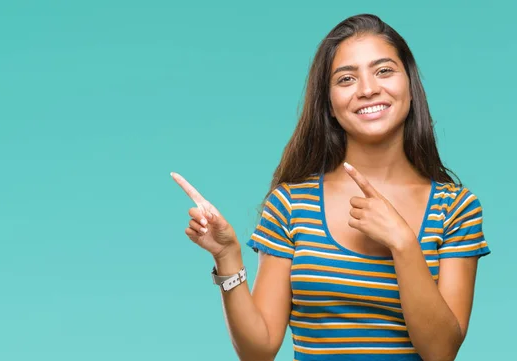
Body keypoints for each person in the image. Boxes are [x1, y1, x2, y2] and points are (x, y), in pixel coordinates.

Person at [170, 13, 490, 361]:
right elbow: (258, 351)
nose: (368, 89)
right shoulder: (291, 204)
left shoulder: (456, 208)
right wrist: (227, 257)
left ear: (411, 87)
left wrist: (403, 243)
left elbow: (441, 352)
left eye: (384, 71)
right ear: (331, 106)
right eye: (346, 78)